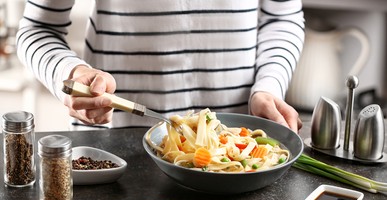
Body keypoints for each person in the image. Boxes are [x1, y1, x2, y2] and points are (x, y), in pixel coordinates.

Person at [16, 0, 305, 132]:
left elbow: (282, 17)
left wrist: (269, 86)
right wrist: (72, 74)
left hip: (235, 147)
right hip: (115, 148)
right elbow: (38, 28)